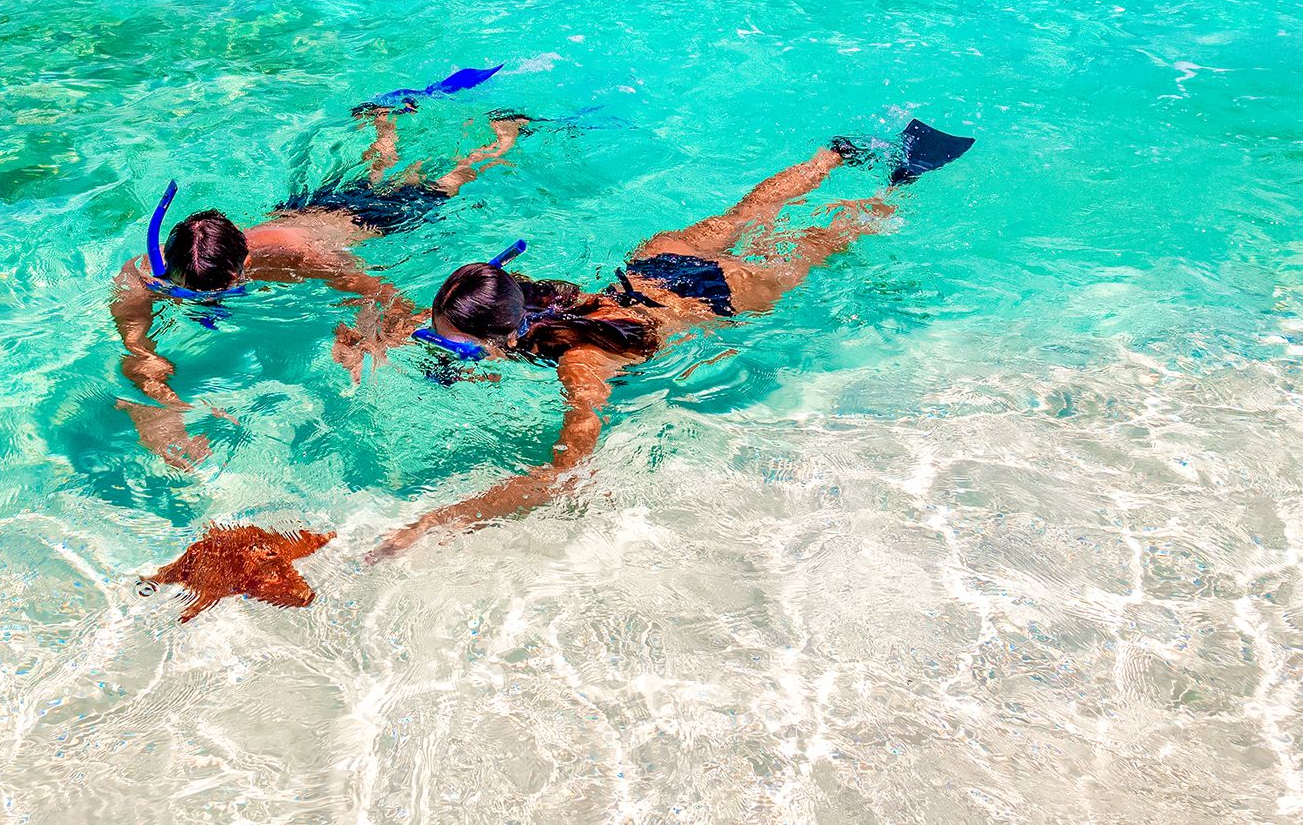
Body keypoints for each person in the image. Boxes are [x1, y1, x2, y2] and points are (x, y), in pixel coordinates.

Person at [374, 119, 974, 556]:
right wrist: (380, 336)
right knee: (743, 217)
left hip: (721, 297)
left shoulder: (580, 366)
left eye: (459, 341)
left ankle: (897, 186)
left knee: (818, 245)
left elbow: (560, 477)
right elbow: (436, 321)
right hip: (654, 265)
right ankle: (834, 154)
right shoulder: (524, 296)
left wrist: (433, 523)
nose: (447, 342)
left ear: (502, 336)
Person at [113, 101, 531, 468]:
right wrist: (162, 408)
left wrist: (369, 337)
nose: (209, 302)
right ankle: (384, 122)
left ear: (245, 263)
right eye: (192, 293)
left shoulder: (296, 255)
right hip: (306, 210)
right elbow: (135, 346)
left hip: (367, 222)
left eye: (226, 291)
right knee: (378, 171)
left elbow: (373, 289)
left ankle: (503, 135)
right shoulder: (151, 272)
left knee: (445, 184)